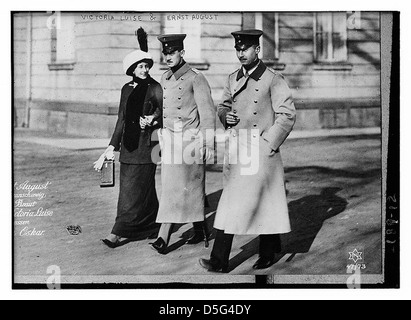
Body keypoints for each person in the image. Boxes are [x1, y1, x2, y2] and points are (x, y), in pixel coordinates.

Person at [199, 29, 296, 272]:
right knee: (232, 203)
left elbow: (286, 115)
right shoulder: (233, 78)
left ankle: (260, 253)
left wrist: (268, 144)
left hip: (259, 149)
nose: (241, 53)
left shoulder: (273, 79)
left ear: (257, 50)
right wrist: (226, 117)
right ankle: (226, 259)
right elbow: (222, 106)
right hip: (237, 148)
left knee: (262, 203)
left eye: (245, 49)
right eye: (238, 49)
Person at [94, 28, 163, 248]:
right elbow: (121, 120)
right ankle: (152, 225)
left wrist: (152, 118)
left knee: (133, 191)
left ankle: (118, 231)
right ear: (132, 69)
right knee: (142, 190)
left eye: (146, 66)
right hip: (129, 148)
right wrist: (111, 147)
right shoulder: (126, 89)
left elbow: (164, 111)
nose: (144, 69)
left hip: (148, 147)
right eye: (140, 66)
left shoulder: (155, 87)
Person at [149, 34, 216, 254]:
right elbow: (164, 108)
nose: (167, 56)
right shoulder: (165, 78)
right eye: (165, 53)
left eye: (172, 52)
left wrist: (207, 144)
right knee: (180, 187)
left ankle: (163, 237)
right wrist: (154, 120)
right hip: (170, 140)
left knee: (181, 188)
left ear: (182, 53)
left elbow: (207, 114)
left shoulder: (196, 78)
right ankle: (201, 229)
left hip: (190, 141)